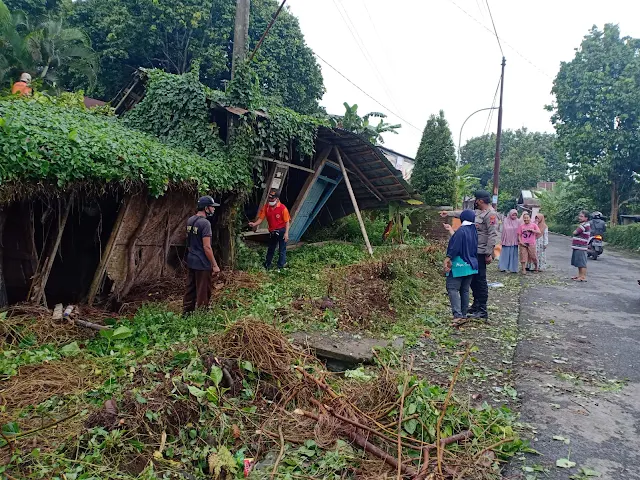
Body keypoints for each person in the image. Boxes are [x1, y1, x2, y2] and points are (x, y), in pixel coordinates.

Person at [441, 190, 499, 319]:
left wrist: (489, 253)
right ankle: (475, 306)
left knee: (480, 281)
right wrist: (449, 213)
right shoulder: (478, 212)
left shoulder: (491, 215)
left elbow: (493, 235)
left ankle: (482, 309)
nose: (475, 202)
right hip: (473, 251)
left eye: (476, 200)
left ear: (481, 200)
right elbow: (464, 214)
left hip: (482, 252)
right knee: (472, 281)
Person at [183, 196, 221, 315]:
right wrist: (214, 265)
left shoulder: (190, 220)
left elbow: (188, 243)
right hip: (202, 263)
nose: (214, 209)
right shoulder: (205, 224)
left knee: (191, 287)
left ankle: (187, 312)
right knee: (203, 289)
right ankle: (202, 314)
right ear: (206, 208)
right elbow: (207, 247)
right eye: (212, 207)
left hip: (191, 260)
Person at [443, 210, 478, 325]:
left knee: (452, 288)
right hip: (471, 265)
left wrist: (447, 258)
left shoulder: (461, 231)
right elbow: (461, 241)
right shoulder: (473, 231)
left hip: (459, 265)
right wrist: (451, 231)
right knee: (464, 290)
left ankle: (457, 315)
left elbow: (455, 246)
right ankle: (463, 314)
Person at [249, 189, 290, 270]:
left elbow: (287, 222)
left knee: (282, 249)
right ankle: (267, 265)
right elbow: (261, 218)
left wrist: (286, 233)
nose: (270, 200)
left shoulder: (283, 208)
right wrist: (254, 224)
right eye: (269, 198)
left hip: (281, 230)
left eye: (272, 199)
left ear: (277, 199)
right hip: (272, 231)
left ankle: (281, 266)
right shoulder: (266, 207)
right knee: (271, 249)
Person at [571, 210, 591, 281]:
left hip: (581, 246)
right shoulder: (583, 225)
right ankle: (580, 275)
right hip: (578, 246)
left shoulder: (584, 225)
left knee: (582, 262)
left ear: (586, 218)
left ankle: (582, 277)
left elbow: (575, 232)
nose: (579, 218)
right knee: (579, 262)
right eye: (579, 216)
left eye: (582, 216)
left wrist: (575, 232)